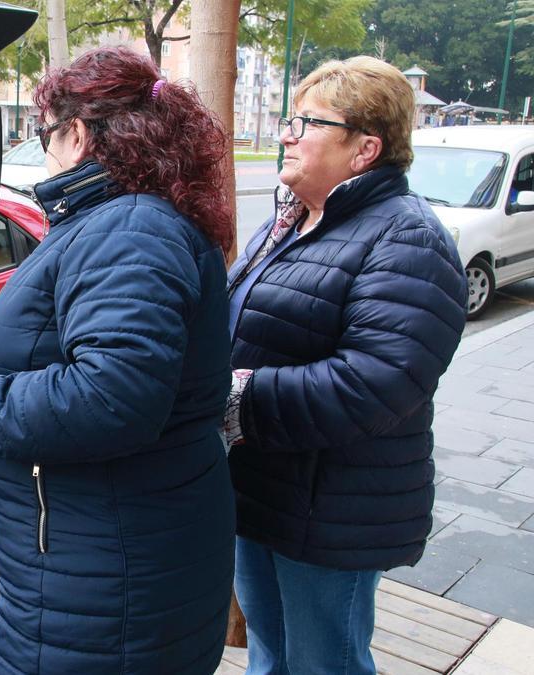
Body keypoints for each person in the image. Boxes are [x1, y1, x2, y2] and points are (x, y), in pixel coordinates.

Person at [0, 46, 237, 674]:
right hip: (125, 562)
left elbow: (112, 397)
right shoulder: (137, 219)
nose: (46, 151)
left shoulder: (128, 229)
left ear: (79, 133)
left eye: (46, 134)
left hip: (104, 586)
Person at [224, 56, 467, 675]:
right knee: (273, 650)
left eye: (307, 122)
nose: (287, 133)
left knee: (324, 661)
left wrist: (231, 398)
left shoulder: (408, 238)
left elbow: (376, 383)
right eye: (290, 119)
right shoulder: (294, 220)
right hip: (267, 490)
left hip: (331, 511)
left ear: (365, 149)